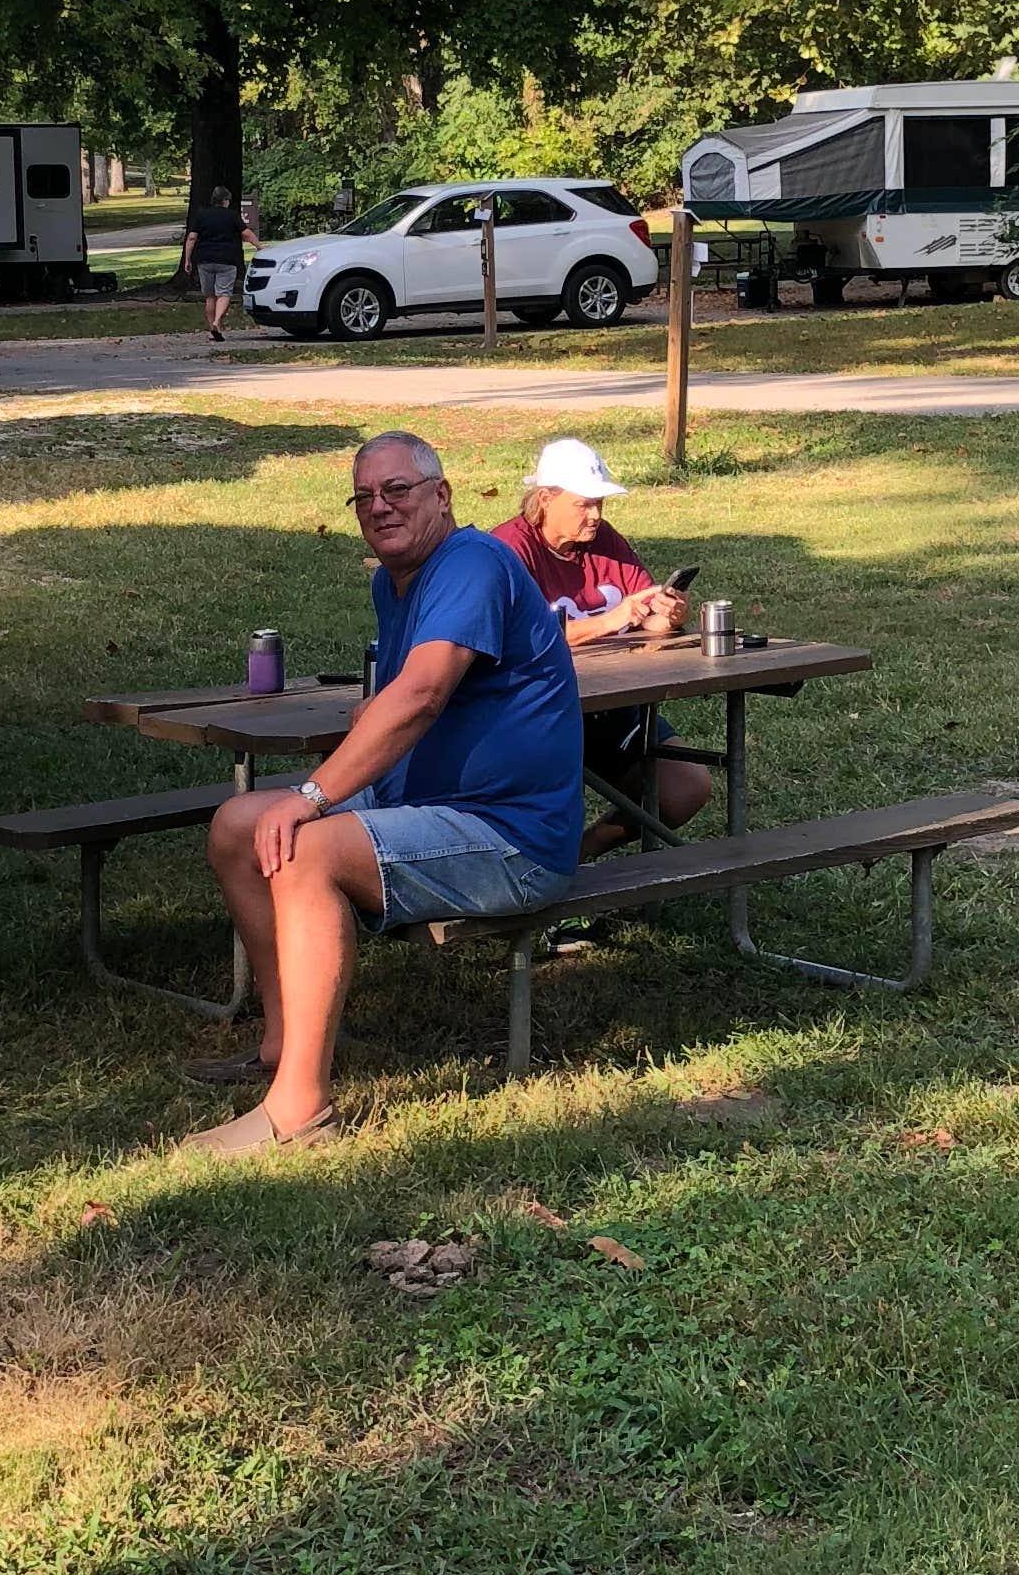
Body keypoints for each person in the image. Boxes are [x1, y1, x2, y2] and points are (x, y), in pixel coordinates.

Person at [188, 431, 583, 1153]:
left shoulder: (472, 562)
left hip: (511, 837)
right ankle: (281, 1049)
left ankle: (300, 1113)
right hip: (430, 808)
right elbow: (405, 696)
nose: (380, 506)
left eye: (397, 490)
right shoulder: (392, 581)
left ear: (442, 496)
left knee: (304, 848)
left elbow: (425, 694)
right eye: (364, 496)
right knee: (238, 825)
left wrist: (311, 794)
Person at [494, 434, 716, 847]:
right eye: (584, 503)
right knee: (546, 812)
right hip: (535, 714)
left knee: (686, 788)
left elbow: (641, 610)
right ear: (545, 498)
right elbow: (515, 639)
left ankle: (584, 851)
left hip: (612, 706)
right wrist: (608, 620)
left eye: (600, 503)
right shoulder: (507, 549)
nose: (595, 515)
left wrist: (664, 615)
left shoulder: (604, 540)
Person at [183, 174, 245, 346]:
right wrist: (260, 247)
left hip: (205, 260)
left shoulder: (202, 215)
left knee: (210, 296)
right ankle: (217, 322)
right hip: (227, 260)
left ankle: (212, 330)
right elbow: (246, 233)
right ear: (225, 200)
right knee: (224, 293)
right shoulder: (232, 216)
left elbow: (191, 238)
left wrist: (187, 259)